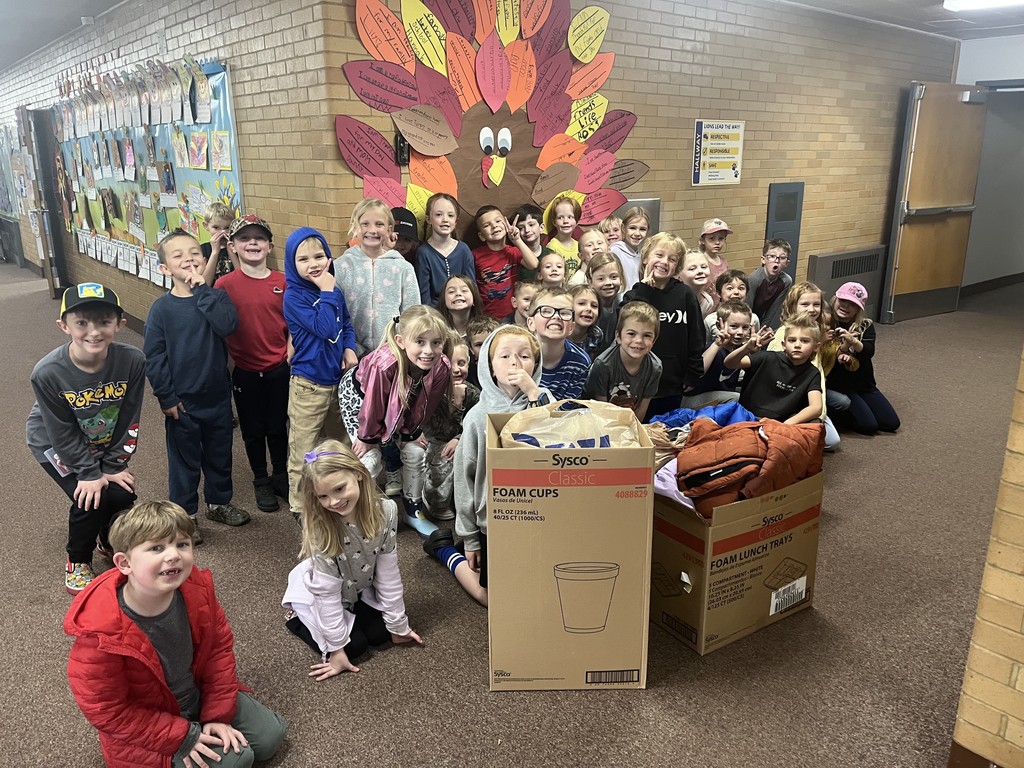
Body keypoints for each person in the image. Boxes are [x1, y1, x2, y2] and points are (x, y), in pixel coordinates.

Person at [64, 501, 287, 768]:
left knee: (271, 736)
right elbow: (109, 712)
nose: (173, 555)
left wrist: (217, 714)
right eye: (156, 548)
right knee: (237, 760)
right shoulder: (99, 632)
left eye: (182, 544)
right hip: (151, 721)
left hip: (196, 694)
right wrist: (184, 736)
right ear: (124, 563)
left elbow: (218, 651)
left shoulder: (197, 588)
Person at [423, 326, 553, 606]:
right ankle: (447, 551)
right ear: (490, 367)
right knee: (495, 599)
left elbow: (555, 433)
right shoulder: (477, 417)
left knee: (540, 587)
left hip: (543, 515)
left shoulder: (545, 402)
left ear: (536, 364)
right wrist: (469, 538)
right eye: (504, 356)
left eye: (525, 356)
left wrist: (534, 392)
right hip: (493, 522)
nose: (515, 363)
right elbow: (464, 482)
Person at [28, 283, 145, 593]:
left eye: (104, 321)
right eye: (81, 323)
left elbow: (129, 416)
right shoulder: (47, 372)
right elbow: (60, 430)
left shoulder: (132, 361)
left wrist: (115, 464)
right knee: (91, 497)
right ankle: (78, 560)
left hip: (102, 438)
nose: (93, 331)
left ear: (120, 324)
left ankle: (108, 539)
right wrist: (90, 473)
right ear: (64, 326)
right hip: (52, 442)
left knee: (121, 493)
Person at [282, 441, 423, 680]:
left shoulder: (387, 511)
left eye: (339, 489)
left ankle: (359, 622)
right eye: (323, 496)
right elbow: (326, 595)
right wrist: (335, 649)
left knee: (381, 634)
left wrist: (399, 625)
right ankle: (297, 618)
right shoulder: (321, 528)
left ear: (358, 474)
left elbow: (389, 575)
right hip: (324, 593)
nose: (333, 502)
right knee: (353, 647)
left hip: (356, 588)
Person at [144, 230, 250, 539]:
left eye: (194, 252)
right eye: (177, 255)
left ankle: (218, 502)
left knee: (220, 454)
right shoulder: (162, 310)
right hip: (182, 402)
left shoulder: (215, 297)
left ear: (205, 260)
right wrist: (165, 396)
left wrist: (203, 290)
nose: (188, 258)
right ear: (165, 268)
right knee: (184, 461)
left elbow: (227, 325)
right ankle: (185, 515)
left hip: (217, 395)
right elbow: (155, 357)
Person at [337, 305, 452, 536]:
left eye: (436, 342)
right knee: (370, 458)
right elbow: (374, 406)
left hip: (403, 399)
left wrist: (410, 432)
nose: (429, 350)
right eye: (420, 342)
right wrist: (368, 438)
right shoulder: (384, 364)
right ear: (400, 341)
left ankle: (413, 510)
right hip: (360, 399)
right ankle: (356, 515)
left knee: (415, 451)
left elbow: (424, 404)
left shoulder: (441, 367)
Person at [283, 226, 358, 521]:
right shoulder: (294, 297)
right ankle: (300, 506)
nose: (314, 264)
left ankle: (340, 495)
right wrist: (327, 290)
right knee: (304, 450)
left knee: (340, 446)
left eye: (320, 256)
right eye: (304, 259)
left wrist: (349, 348)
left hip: (337, 383)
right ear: (292, 263)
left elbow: (345, 324)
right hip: (308, 386)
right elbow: (325, 327)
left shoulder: (333, 291)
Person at [216, 214, 289, 513]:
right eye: (245, 239)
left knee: (278, 425)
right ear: (232, 246)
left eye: (259, 238)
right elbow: (219, 327)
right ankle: (261, 478)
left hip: (278, 367)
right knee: (252, 428)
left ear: (270, 246)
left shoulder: (283, 282)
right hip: (245, 371)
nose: (253, 243)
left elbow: (293, 323)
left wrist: (290, 351)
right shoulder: (225, 285)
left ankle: (281, 474)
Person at [622, 232, 705, 421]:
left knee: (663, 433)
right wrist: (644, 289)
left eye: (672, 259)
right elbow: (621, 327)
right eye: (659, 255)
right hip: (636, 384)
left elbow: (696, 337)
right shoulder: (635, 293)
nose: (664, 262)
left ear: (677, 266)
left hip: (672, 383)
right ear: (645, 259)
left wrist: (693, 374)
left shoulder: (685, 295)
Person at [403, 338, 480, 522]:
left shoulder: (473, 393)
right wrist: (416, 432)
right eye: (450, 363)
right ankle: (434, 498)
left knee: (470, 457)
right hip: (432, 440)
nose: (456, 369)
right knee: (444, 460)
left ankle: (464, 499)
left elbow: (477, 423)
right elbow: (416, 417)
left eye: (461, 363)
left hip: (462, 440)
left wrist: (460, 438)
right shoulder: (430, 391)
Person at [335, 198, 420, 357]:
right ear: (355, 227)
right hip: (351, 354)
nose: (372, 230)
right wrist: (350, 348)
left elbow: (412, 314)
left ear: (389, 230)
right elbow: (335, 314)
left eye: (379, 224)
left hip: (393, 354)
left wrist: (397, 348)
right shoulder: (340, 267)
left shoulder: (403, 269)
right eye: (365, 224)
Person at [767, 281, 841, 450]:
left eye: (816, 304)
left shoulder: (817, 332)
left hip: (810, 396)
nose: (812, 309)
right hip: (788, 399)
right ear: (793, 306)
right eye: (805, 304)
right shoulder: (783, 334)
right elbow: (774, 373)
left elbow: (818, 373)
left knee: (832, 441)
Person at [827, 282, 901, 435]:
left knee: (891, 423)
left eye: (852, 304)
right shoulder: (826, 323)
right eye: (842, 301)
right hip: (840, 385)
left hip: (864, 384)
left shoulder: (865, 325)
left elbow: (868, 352)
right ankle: (833, 412)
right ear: (835, 300)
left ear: (859, 309)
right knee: (869, 426)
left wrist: (853, 342)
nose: (845, 307)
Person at [724, 313, 824, 426]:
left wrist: (786, 424)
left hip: (781, 423)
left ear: (816, 347)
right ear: (784, 344)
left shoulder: (812, 372)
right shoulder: (767, 357)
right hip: (748, 417)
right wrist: (746, 348)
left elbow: (816, 407)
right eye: (792, 340)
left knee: (817, 425)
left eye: (805, 341)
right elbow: (729, 363)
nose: (797, 345)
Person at [583, 300, 663, 422]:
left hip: (630, 423)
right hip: (597, 420)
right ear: (618, 337)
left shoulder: (655, 367)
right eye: (631, 334)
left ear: (654, 340)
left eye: (647, 335)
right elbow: (601, 410)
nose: (638, 340)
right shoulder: (603, 365)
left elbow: (641, 409)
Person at [683, 299, 752, 409]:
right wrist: (717, 345)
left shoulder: (738, 350)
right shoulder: (712, 348)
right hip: (693, 400)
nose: (740, 332)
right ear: (719, 325)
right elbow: (698, 372)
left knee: (751, 394)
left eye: (745, 327)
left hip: (720, 397)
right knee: (737, 397)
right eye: (734, 326)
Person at [471, 205, 539, 318]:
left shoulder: (513, 251)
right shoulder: (475, 255)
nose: (494, 226)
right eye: (487, 225)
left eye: (498, 221)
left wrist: (517, 240)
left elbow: (534, 264)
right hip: (487, 316)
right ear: (481, 236)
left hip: (513, 314)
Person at [528, 286, 591, 401]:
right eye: (546, 311)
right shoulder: (516, 356)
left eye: (565, 313)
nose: (556, 316)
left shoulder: (580, 363)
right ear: (531, 323)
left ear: (571, 327)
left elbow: (567, 411)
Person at [415, 193, 475, 306]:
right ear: (429, 219)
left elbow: (472, 288)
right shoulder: (423, 253)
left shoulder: (464, 250)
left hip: (462, 311)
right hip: (436, 315)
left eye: (450, 215)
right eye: (438, 215)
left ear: (456, 221)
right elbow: (424, 295)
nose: (445, 220)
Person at [747, 238, 794, 331]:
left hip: (762, 319)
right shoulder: (754, 278)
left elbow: (773, 309)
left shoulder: (786, 281)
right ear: (763, 260)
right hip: (748, 318)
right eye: (772, 256)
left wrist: (763, 328)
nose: (776, 261)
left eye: (782, 258)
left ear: (787, 263)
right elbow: (747, 307)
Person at [588, 251, 625, 356]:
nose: (608, 283)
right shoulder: (586, 307)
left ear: (621, 278)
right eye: (601, 279)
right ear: (590, 281)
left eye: (614, 277)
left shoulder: (624, 302)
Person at [705, 269, 760, 337]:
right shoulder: (710, 320)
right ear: (719, 293)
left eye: (741, 288)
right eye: (730, 288)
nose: (736, 292)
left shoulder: (753, 318)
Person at [611, 206, 651, 290]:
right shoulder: (615, 252)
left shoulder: (641, 256)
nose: (637, 233)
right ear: (623, 228)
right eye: (632, 228)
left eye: (642, 229)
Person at [510, 202, 550, 283]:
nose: (527, 230)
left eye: (531, 225)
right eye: (521, 227)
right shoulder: (514, 255)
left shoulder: (549, 254)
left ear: (541, 228)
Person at [544, 194, 582, 280]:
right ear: (554, 222)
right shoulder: (552, 247)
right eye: (560, 217)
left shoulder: (579, 246)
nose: (565, 221)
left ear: (577, 221)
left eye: (570, 217)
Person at [437, 274, 483, 340]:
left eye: (464, 290)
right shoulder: (437, 330)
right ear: (444, 300)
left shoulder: (484, 330)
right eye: (451, 291)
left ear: (474, 298)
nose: (458, 294)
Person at [698, 218, 732, 308]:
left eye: (721, 238)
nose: (717, 242)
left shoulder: (724, 262)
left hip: (719, 307)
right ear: (702, 240)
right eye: (711, 239)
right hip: (703, 307)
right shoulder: (700, 261)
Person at [199, 202, 236, 285]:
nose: (223, 232)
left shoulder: (237, 247)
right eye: (216, 228)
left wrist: (231, 252)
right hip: (211, 296)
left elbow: (243, 280)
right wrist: (215, 252)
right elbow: (205, 284)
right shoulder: (202, 250)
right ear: (206, 226)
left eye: (227, 227)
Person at [567, 284, 604, 360]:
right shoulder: (560, 333)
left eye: (594, 306)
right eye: (581, 303)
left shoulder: (596, 335)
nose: (589, 309)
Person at [464, 314, 501, 389]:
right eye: (479, 345)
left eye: (490, 342)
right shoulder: (468, 374)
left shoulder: (506, 369)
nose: (485, 348)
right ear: (471, 349)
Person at [679, 248, 714, 318]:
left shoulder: (707, 302)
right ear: (678, 275)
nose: (700, 271)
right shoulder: (673, 299)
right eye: (692, 269)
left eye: (704, 267)